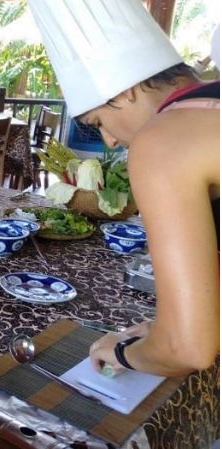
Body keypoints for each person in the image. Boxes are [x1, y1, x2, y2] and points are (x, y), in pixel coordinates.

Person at [28, 0, 219, 377]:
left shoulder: (163, 139)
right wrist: (157, 332)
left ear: (124, 89)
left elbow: (187, 350)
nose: (110, 140)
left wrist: (125, 351)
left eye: (99, 120)